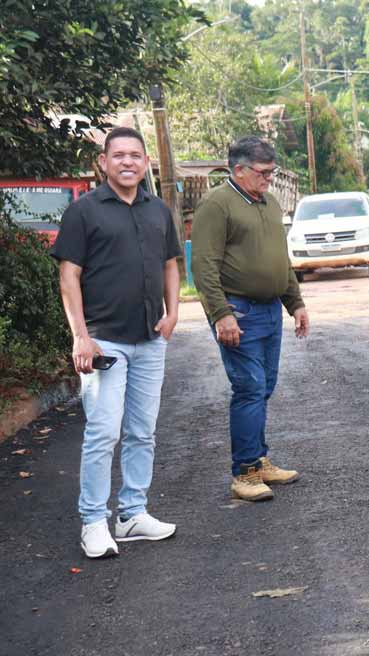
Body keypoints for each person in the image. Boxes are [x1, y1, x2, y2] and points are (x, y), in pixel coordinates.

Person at [52, 127, 181, 558]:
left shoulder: (158, 210)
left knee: (142, 433)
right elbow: (68, 275)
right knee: (103, 433)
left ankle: (131, 514)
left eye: (135, 156)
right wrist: (80, 337)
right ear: (103, 163)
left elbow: (170, 263)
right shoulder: (84, 212)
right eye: (119, 155)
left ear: (146, 163)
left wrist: (173, 313)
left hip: (149, 339)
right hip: (104, 342)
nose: (128, 162)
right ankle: (93, 521)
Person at [190, 136, 309, 502]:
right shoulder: (217, 205)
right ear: (238, 169)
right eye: (263, 172)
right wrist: (221, 314)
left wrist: (296, 303)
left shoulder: (269, 203)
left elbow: (280, 258)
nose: (269, 178)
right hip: (238, 312)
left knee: (264, 386)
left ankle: (258, 461)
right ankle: (244, 473)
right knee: (249, 388)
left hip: (271, 310)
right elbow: (203, 266)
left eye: (272, 171)